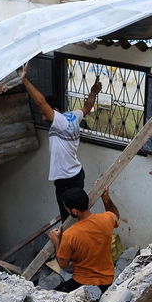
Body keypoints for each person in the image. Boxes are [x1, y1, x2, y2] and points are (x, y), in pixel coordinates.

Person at [22, 70, 103, 221]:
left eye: (44, 113)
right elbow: (87, 106)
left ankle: (71, 241)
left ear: (55, 111)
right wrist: (93, 91)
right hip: (76, 174)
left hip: (66, 180)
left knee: (69, 219)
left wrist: (25, 80)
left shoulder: (59, 121)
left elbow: (40, 101)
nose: (42, 116)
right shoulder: (73, 116)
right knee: (77, 213)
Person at [48, 187, 119, 292]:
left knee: (52, 297)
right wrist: (105, 197)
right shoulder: (107, 219)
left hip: (83, 283)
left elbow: (63, 264)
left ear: (74, 211)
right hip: (107, 281)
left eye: (66, 208)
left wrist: (56, 241)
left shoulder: (70, 235)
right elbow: (115, 215)